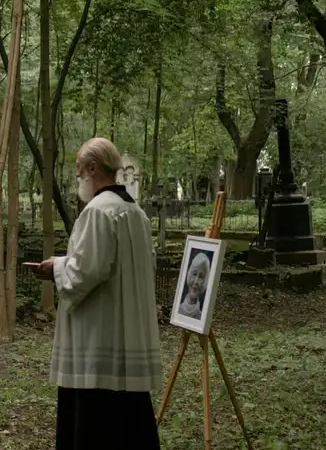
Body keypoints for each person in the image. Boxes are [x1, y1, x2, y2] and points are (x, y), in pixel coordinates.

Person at [36, 137, 162, 450]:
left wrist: (55, 266)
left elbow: (84, 273)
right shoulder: (136, 213)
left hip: (98, 344)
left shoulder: (97, 212)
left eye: (80, 169)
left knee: (96, 426)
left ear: (93, 168)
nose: (77, 176)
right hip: (127, 336)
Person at [178, 253, 210, 320]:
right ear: (189, 275)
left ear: (205, 281)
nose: (196, 282)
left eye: (201, 277)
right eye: (194, 274)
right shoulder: (177, 309)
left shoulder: (203, 317)